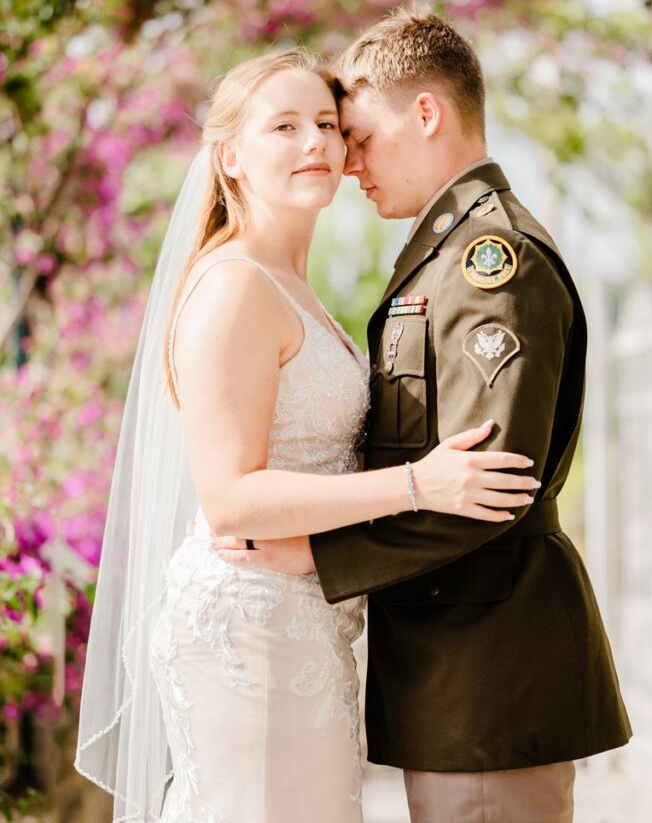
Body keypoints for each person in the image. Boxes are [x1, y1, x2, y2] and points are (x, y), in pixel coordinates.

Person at [74, 47, 538, 823]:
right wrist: (419, 483)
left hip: (307, 624)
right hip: (245, 628)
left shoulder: (294, 286)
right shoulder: (233, 288)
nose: (316, 144)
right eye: (283, 127)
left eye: (326, 123)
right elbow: (229, 500)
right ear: (230, 157)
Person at [213, 13, 632, 823]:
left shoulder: (487, 262)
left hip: (486, 669)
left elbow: (488, 485)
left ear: (428, 114)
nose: (347, 163)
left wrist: (314, 555)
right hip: (454, 660)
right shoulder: (441, 254)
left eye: (359, 137)